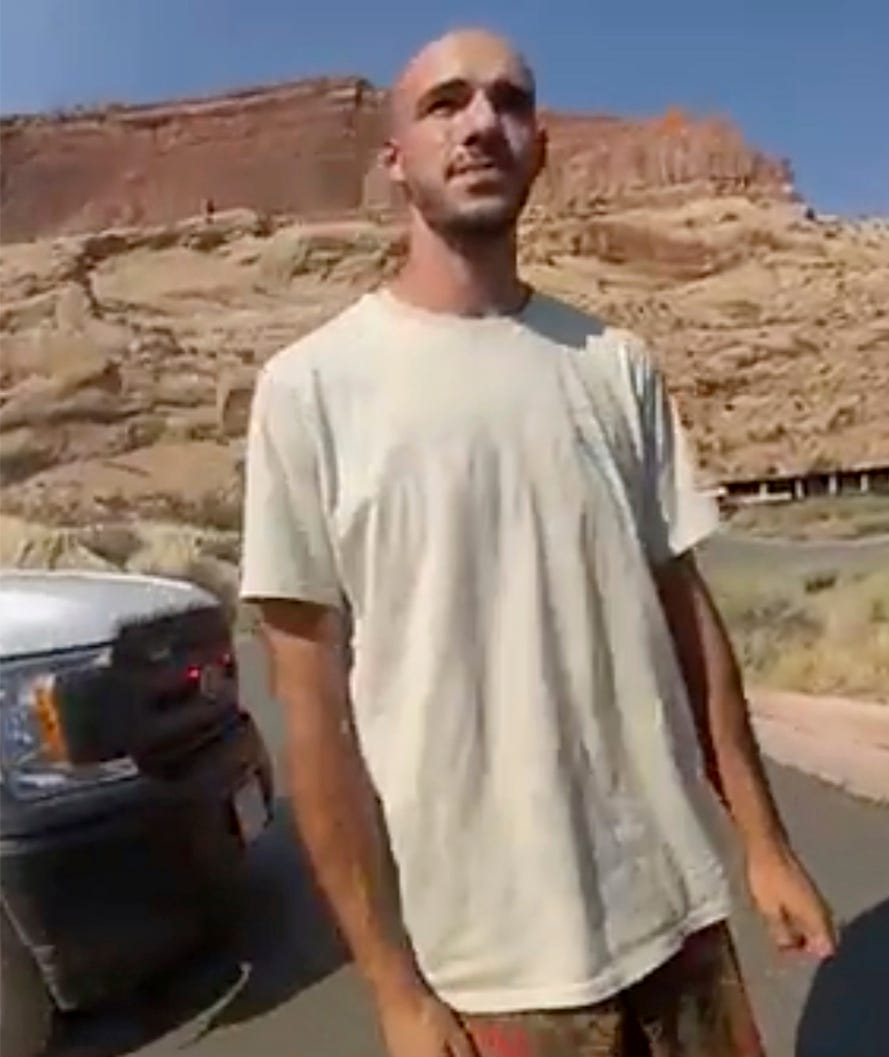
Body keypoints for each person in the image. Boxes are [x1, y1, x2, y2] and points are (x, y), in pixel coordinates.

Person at [239, 28, 836, 1057]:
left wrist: (764, 846)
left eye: (509, 103)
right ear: (395, 159)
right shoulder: (311, 391)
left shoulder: (613, 366)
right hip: (489, 973)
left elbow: (688, 625)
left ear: (539, 144)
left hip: (676, 924)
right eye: (445, 104)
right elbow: (317, 727)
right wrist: (393, 989)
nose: (481, 125)